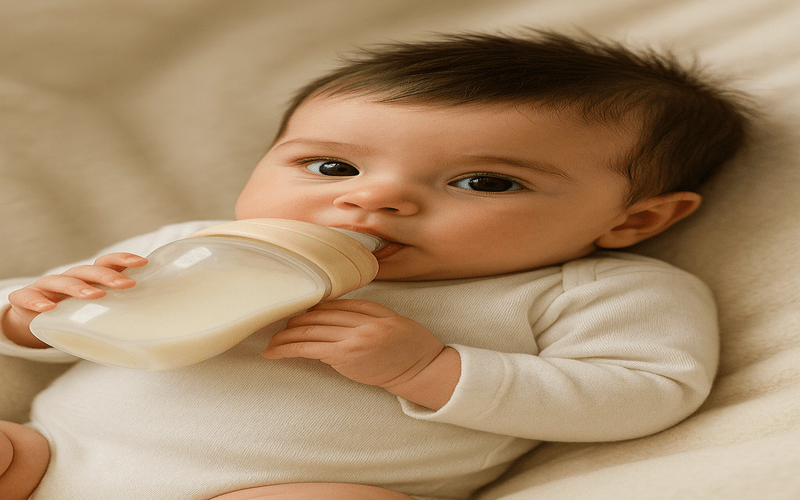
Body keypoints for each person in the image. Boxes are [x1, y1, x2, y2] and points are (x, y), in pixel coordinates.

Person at [0, 29, 750, 500]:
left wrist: (430, 369)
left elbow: (645, 393)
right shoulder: (199, 240)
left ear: (635, 219)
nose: (375, 201)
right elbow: (54, 312)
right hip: (46, 454)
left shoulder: (592, 291)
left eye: (484, 182)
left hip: (272, 488)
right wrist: (32, 313)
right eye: (330, 166)